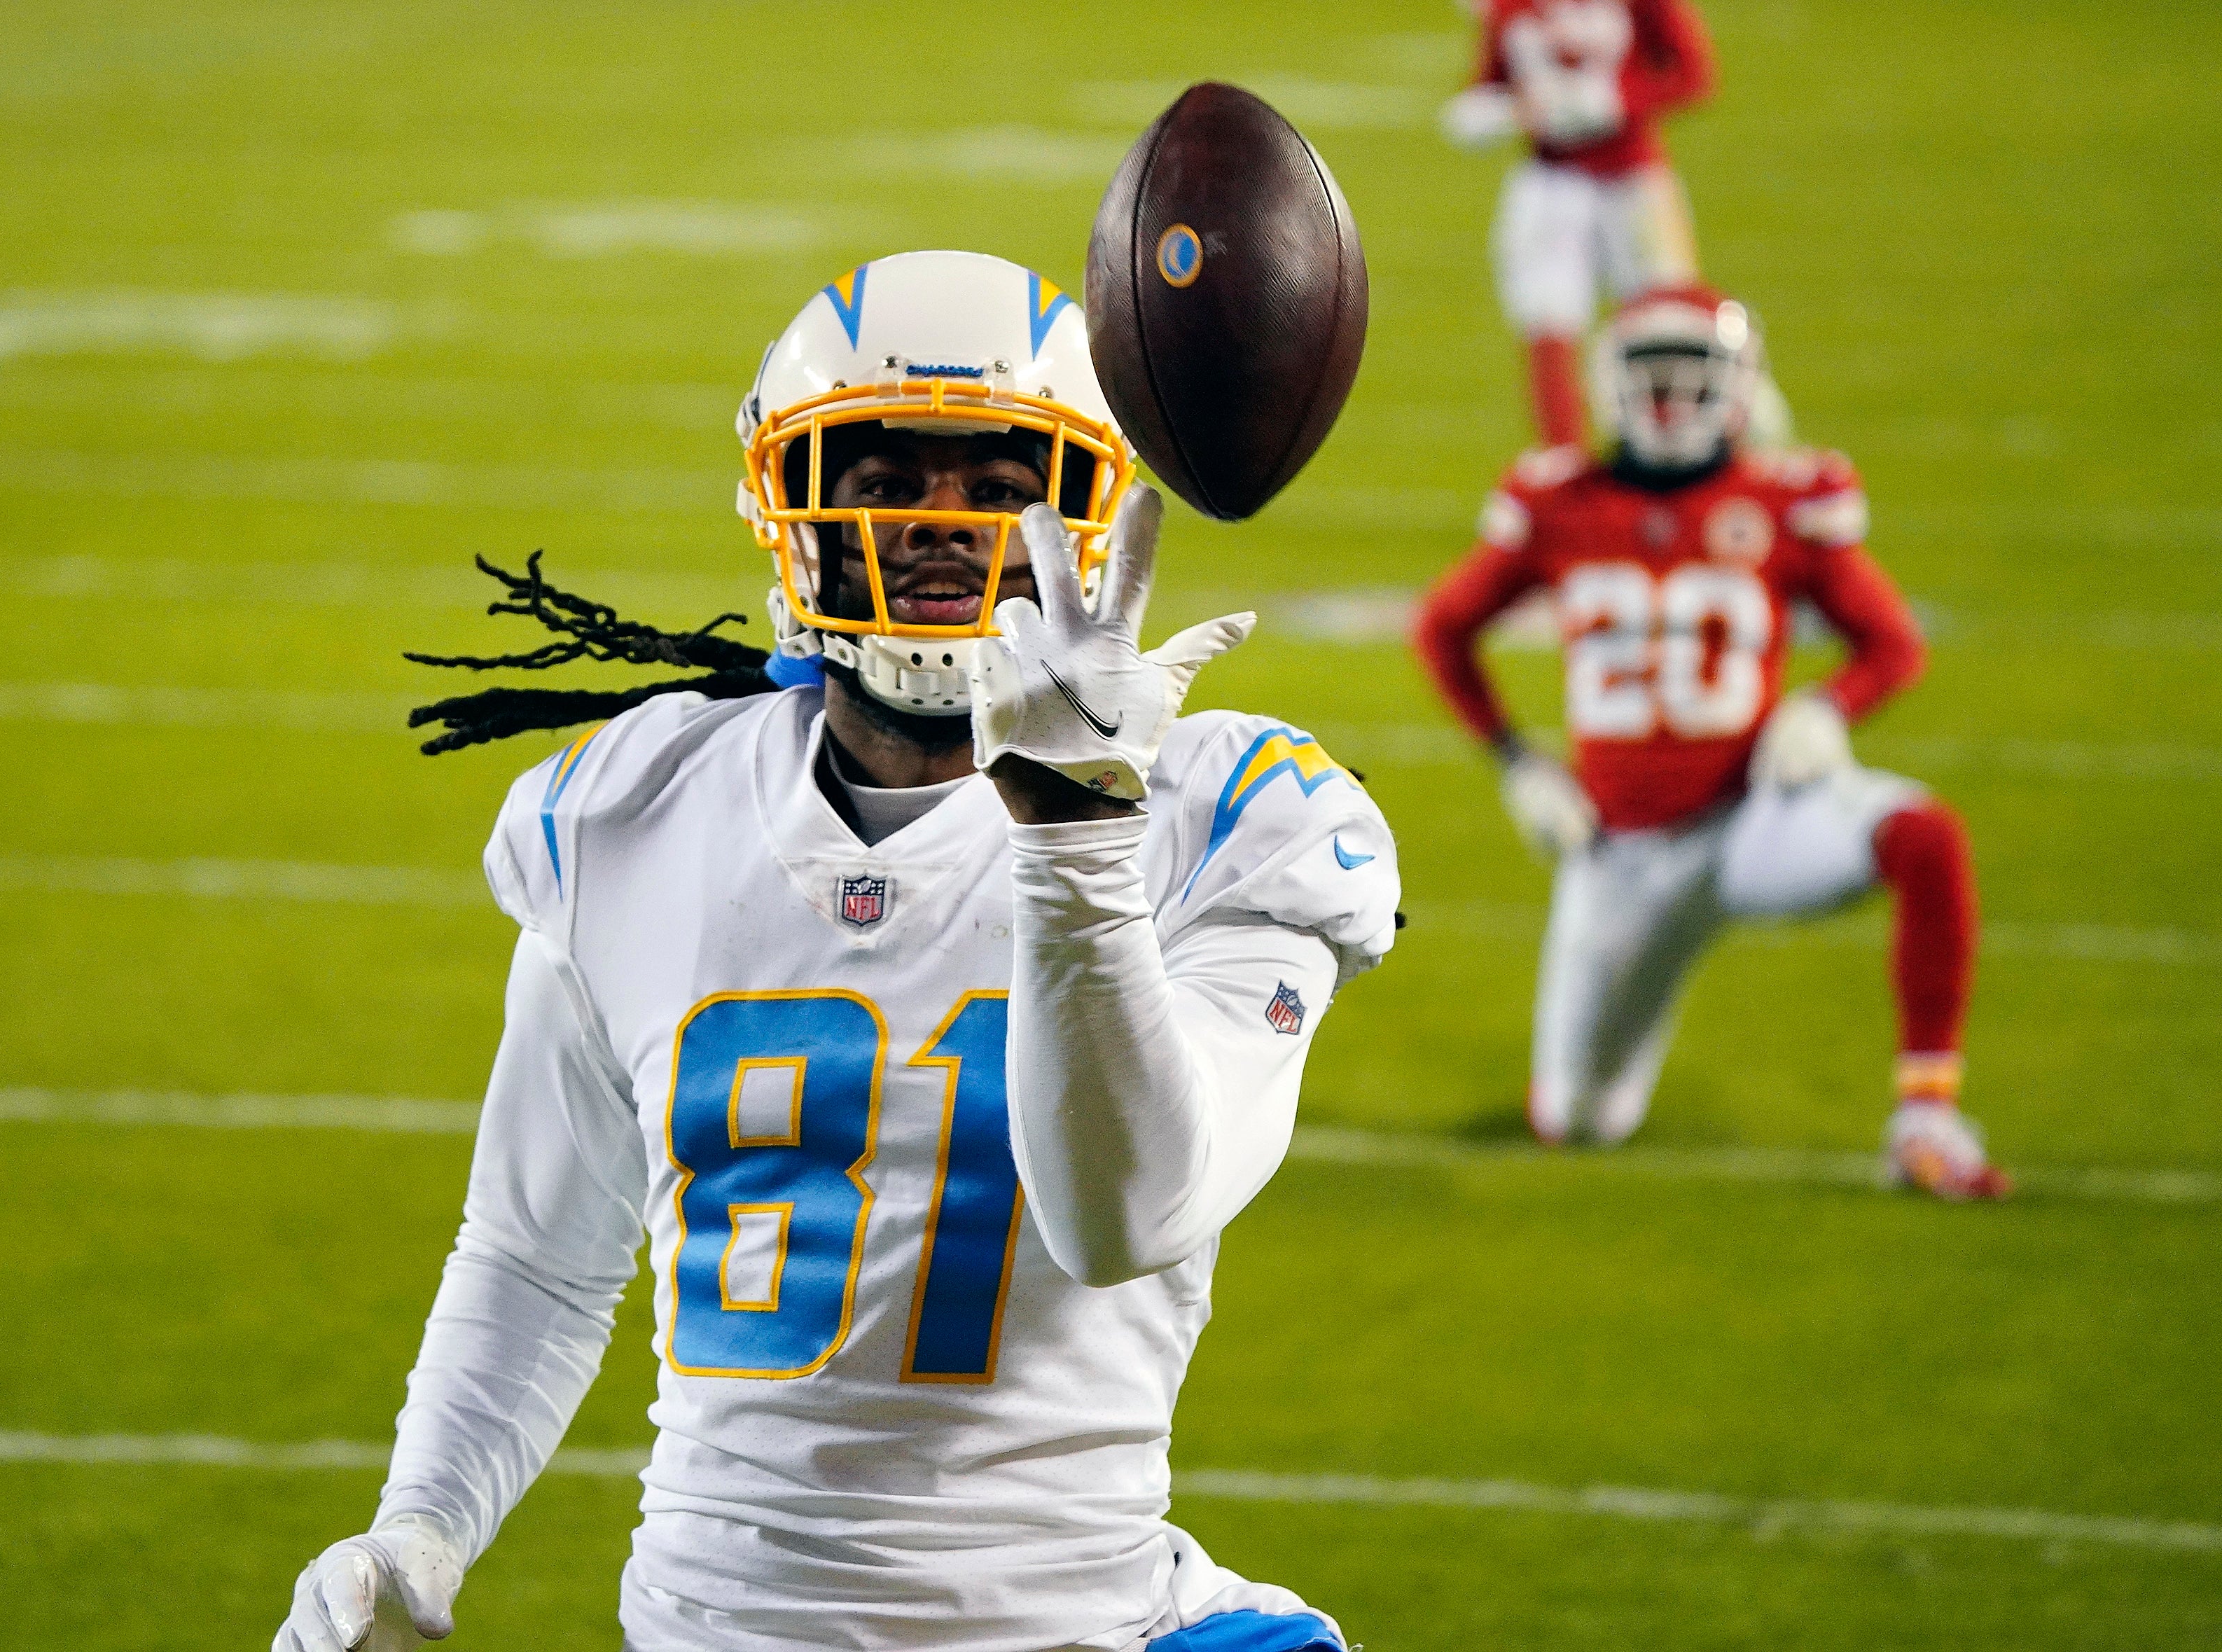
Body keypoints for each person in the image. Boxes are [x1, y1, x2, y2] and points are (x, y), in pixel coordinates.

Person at [272, 250, 1401, 1652]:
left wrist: (1078, 846)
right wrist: (419, 1529)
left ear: (1095, 520)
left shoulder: (1223, 811)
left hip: (1083, 1613)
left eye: (1003, 488)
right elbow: (538, 1252)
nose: (945, 527)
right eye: (887, 479)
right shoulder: (633, 808)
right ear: (783, 504)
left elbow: (1134, 1216)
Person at [1411, 284, 2006, 1198]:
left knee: (1926, 837)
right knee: (1577, 1120)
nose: (1672, 400)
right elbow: (1442, 627)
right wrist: (1518, 764)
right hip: (1618, 850)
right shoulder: (1559, 499)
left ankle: (1925, 1117)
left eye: (1695, 378)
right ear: (1611, 384)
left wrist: (1825, 708)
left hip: (1753, 817)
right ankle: (1608, 1062)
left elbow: (1892, 643)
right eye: (1652, 376)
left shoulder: (1783, 498)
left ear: (1742, 386)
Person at [1440, 0, 1733, 450]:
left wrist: (1618, 100)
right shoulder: (1509, 8)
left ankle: (1683, 461)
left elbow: (1693, 75)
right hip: (1550, 183)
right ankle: (1562, 465)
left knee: (1672, 326)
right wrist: (1497, 111)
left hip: (1636, 182)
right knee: (1548, 324)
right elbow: (1494, 86)